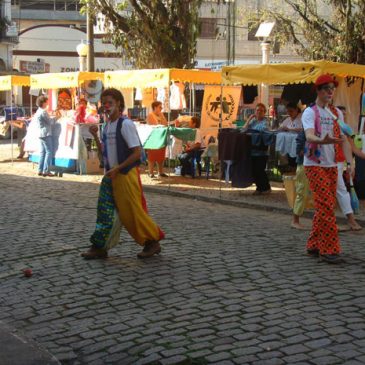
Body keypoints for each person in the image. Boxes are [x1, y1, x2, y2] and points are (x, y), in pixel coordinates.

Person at [81, 88, 165, 260]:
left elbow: (136, 152)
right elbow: (103, 154)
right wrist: (96, 137)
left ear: (119, 103)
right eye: (104, 103)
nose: (106, 106)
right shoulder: (107, 127)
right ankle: (99, 246)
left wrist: (118, 169)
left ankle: (152, 241)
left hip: (126, 176)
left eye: (110, 102)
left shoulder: (125, 124)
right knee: (105, 212)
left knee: (133, 213)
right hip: (111, 176)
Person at [302, 74, 354, 264]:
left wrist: (350, 163)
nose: (330, 91)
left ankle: (314, 244)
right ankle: (329, 249)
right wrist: (321, 140)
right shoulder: (310, 112)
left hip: (332, 165)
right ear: (318, 90)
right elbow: (309, 136)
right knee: (325, 206)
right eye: (326, 88)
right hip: (314, 165)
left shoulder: (336, 113)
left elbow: (344, 141)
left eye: (332, 88)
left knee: (326, 206)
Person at [244, 103, 271, 195]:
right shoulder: (253, 122)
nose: (259, 112)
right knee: (253, 170)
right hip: (252, 151)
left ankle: (266, 188)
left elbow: (263, 131)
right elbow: (243, 130)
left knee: (260, 170)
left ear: (264, 112)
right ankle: (259, 188)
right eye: (257, 110)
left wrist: (251, 134)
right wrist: (249, 119)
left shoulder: (265, 122)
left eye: (261, 110)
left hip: (261, 151)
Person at [34, 95, 56, 177]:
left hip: (41, 133)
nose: (47, 103)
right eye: (46, 101)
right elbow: (50, 122)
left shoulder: (39, 111)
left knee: (43, 152)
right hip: (46, 133)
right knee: (49, 152)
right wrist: (56, 117)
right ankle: (46, 170)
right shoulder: (43, 111)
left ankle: (40, 170)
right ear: (43, 103)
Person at [146, 101, 168, 178]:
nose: (161, 109)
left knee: (161, 155)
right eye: (160, 107)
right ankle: (151, 172)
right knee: (152, 156)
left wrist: (162, 116)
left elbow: (165, 124)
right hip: (153, 138)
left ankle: (160, 172)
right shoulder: (150, 115)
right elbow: (155, 126)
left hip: (161, 137)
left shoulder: (161, 115)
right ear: (155, 107)